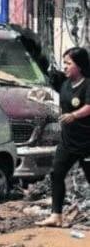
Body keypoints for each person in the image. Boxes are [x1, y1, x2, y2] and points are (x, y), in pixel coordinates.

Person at [36, 47, 90, 227]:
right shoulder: (65, 84)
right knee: (56, 173)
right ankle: (56, 215)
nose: (65, 67)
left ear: (80, 66)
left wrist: (74, 115)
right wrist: (43, 95)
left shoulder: (88, 84)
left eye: (69, 63)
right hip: (68, 141)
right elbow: (54, 91)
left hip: (87, 142)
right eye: (64, 63)